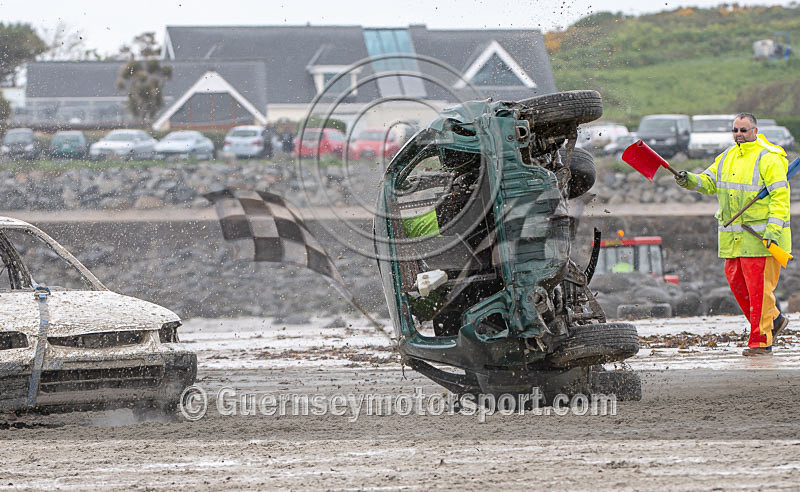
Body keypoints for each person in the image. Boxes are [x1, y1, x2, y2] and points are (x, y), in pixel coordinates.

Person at [675, 112, 790, 356]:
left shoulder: (769, 158)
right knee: (738, 286)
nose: (739, 134)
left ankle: (761, 342)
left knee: (759, 293)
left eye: (743, 130)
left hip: (760, 239)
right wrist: (688, 180)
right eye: (735, 130)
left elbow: (780, 198)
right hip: (733, 239)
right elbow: (708, 182)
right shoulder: (726, 157)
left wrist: (773, 230)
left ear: (755, 131)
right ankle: (775, 320)